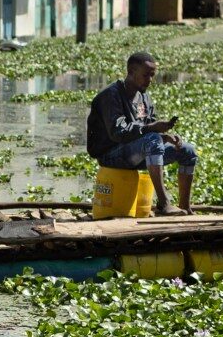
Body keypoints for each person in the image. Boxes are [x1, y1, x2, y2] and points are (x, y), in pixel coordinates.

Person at [85, 51, 198, 216]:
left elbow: (148, 127)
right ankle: (164, 204)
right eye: (146, 75)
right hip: (110, 154)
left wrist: (165, 136)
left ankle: (185, 206)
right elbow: (119, 132)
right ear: (131, 72)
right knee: (152, 140)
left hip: (137, 152)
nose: (150, 80)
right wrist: (152, 129)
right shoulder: (111, 95)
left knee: (187, 151)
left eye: (152, 75)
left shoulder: (144, 97)